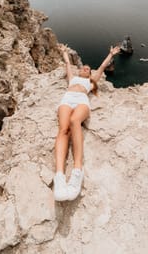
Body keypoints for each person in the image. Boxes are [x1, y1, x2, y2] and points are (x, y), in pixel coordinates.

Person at [54, 44, 120, 201]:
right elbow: (68, 64)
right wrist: (64, 52)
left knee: (74, 121)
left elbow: (103, 66)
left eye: (88, 69)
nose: (85, 69)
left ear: (90, 74)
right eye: (83, 68)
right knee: (63, 130)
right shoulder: (72, 78)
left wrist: (111, 54)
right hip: (67, 99)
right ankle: (59, 176)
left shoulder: (91, 82)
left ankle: (77, 171)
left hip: (82, 101)